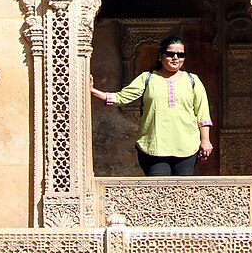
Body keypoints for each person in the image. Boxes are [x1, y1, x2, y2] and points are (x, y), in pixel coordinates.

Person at [90, 35, 213, 175]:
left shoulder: (192, 80)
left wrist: (205, 141)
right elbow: (121, 97)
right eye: (170, 54)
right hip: (154, 146)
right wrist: (92, 91)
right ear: (161, 56)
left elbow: (203, 114)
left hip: (186, 147)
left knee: (182, 193)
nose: (175, 58)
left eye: (180, 54)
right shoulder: (148, 78)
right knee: (157, 192)